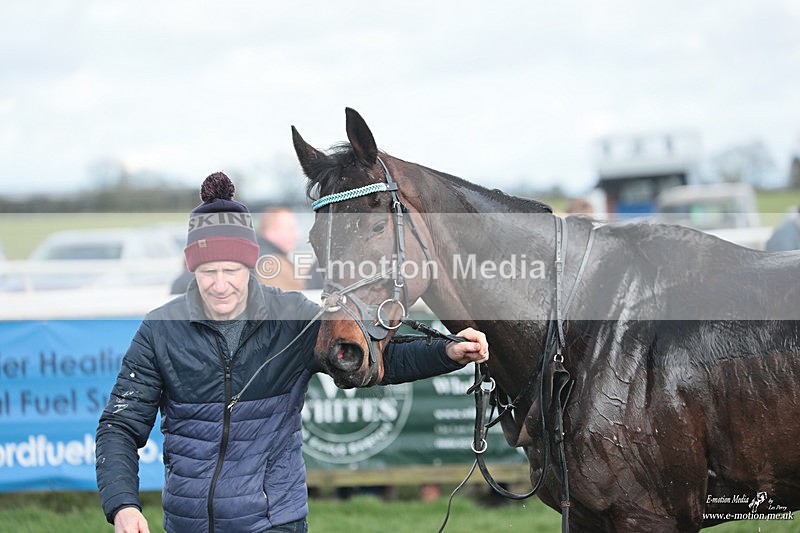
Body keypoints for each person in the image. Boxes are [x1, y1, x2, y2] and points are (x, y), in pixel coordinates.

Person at [95, 172, 490, 533]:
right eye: (207, 271)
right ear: (191, 270)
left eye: (230, 271)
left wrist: (447, 352)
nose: (219, 285)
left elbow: (373, 360)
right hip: (188, 523)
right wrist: (123, 506)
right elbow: (119, 426)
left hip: (275, 521)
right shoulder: (159, 330)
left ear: (251, 265)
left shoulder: (294, 318)